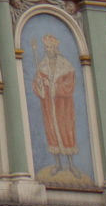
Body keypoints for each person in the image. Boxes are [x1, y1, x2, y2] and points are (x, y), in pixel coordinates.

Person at [31, 26, 79, 174]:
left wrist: (54, 86)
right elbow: (36, 84)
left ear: (55, 48)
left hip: (63, 107)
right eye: (45, 47)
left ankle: (71, 164)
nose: (46, 49)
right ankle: (57, 164)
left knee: (67, 132)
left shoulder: (66, 65)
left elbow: (69, 84)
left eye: (49, 47)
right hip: (49, 107)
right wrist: (40, 84)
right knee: (52, 132)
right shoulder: (42, 65)